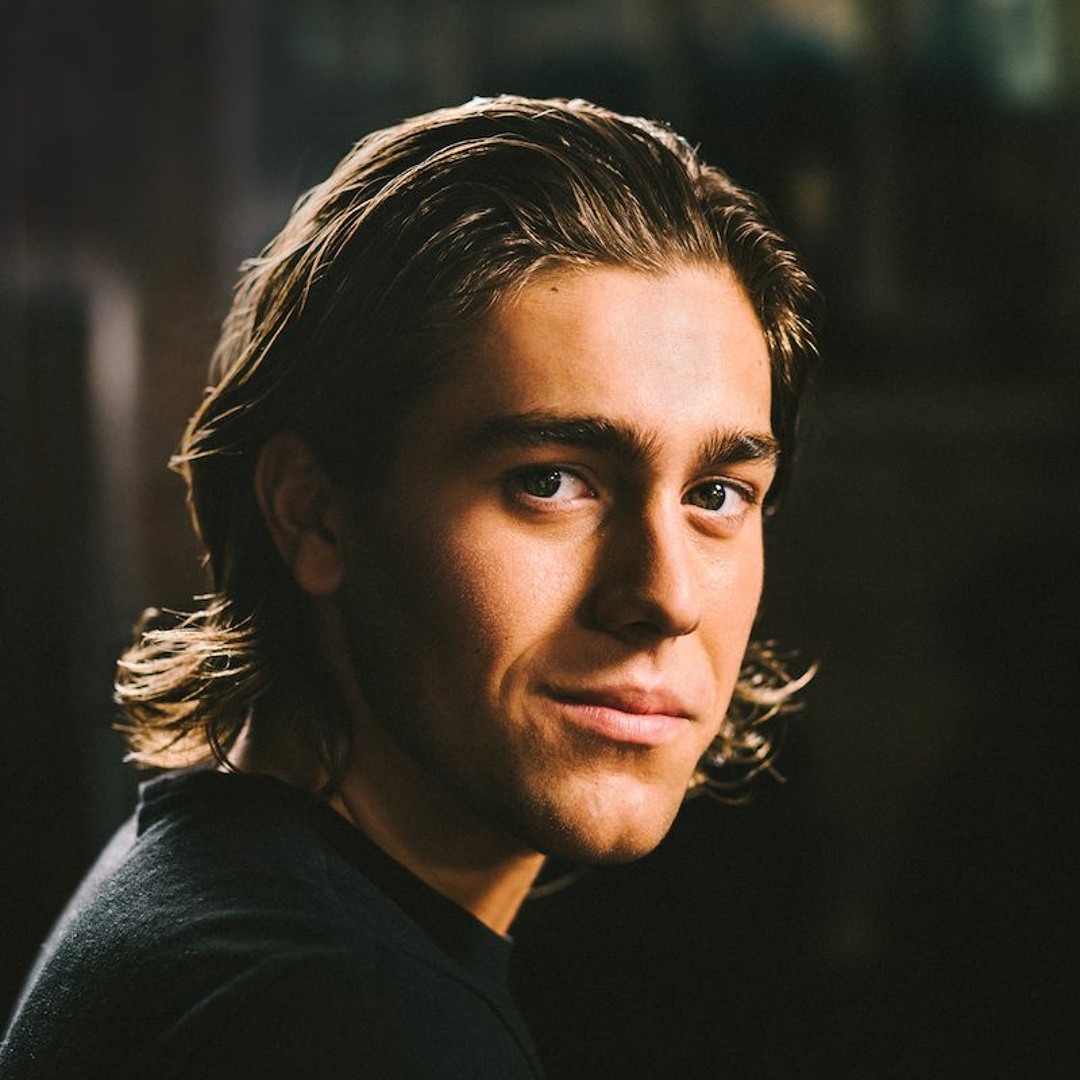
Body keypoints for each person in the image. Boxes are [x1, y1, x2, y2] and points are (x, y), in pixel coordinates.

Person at [0, 94, 817, 1078]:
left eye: (717, 494)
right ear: (315, 514)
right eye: (550, 482)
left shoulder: (221, 899)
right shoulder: (340, 1019)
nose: (667, 597)